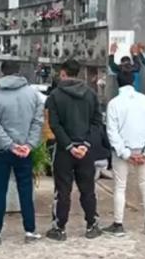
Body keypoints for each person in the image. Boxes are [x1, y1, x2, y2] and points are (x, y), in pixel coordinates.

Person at [0, 61, 44, 244]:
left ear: (1, 72)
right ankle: (30, 231)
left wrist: (9, 145)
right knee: (26, 188)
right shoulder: (33, 94)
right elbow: (38, 121)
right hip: (25, 149)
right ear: (18, 72)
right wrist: (28, 145)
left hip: (1, 150)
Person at [44, 59, 103, 241]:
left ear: (63, 73)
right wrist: (85, 144)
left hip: (63, 150)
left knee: (62, 190)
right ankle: (92, 224)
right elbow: (97, 122)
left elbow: (54, 124)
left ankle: (59, 227)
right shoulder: (91, 94)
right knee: (88, 189)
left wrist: (69, 145)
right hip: (86, 150)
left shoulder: (55, 96)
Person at [102, 71, 145, 237]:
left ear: (117, 82)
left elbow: (112, 132)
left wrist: (125, 153)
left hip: (122, 151)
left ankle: (118, 224)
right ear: (134, 81)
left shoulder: (114, 104)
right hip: (142, 150)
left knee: (120, 187)